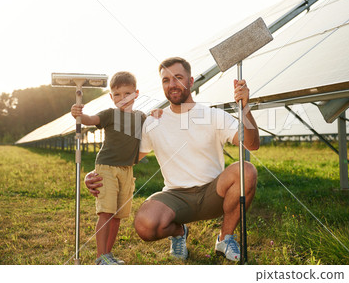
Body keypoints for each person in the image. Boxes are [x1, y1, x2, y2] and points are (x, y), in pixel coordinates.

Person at [85, 57, 259, 262]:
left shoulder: (213, 115)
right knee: (145, 225)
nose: (172, 84)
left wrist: (245, 108)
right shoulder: (153, 121)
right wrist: (95, 173)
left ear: (191, 81)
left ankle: (225, 238)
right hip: (175, 198)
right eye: (166, 80)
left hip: (213, 193)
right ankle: (179, 233)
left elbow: (251, 143)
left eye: (178, 77)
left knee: (247, 170)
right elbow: (127, 160)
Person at [71, 71, 146, 265]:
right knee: (106, 212)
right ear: (112, 97)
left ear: (136, 93)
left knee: (118, 216)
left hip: (127, 170)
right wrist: (78, 114)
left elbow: (154, 127)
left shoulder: (141, 117)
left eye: (127, 93)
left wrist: (158, 114)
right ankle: (100, 257)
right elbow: (91, 120)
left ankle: (108, 255)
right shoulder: (110, 114)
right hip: (107, 167)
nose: (123, 98)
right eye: (118, 94)